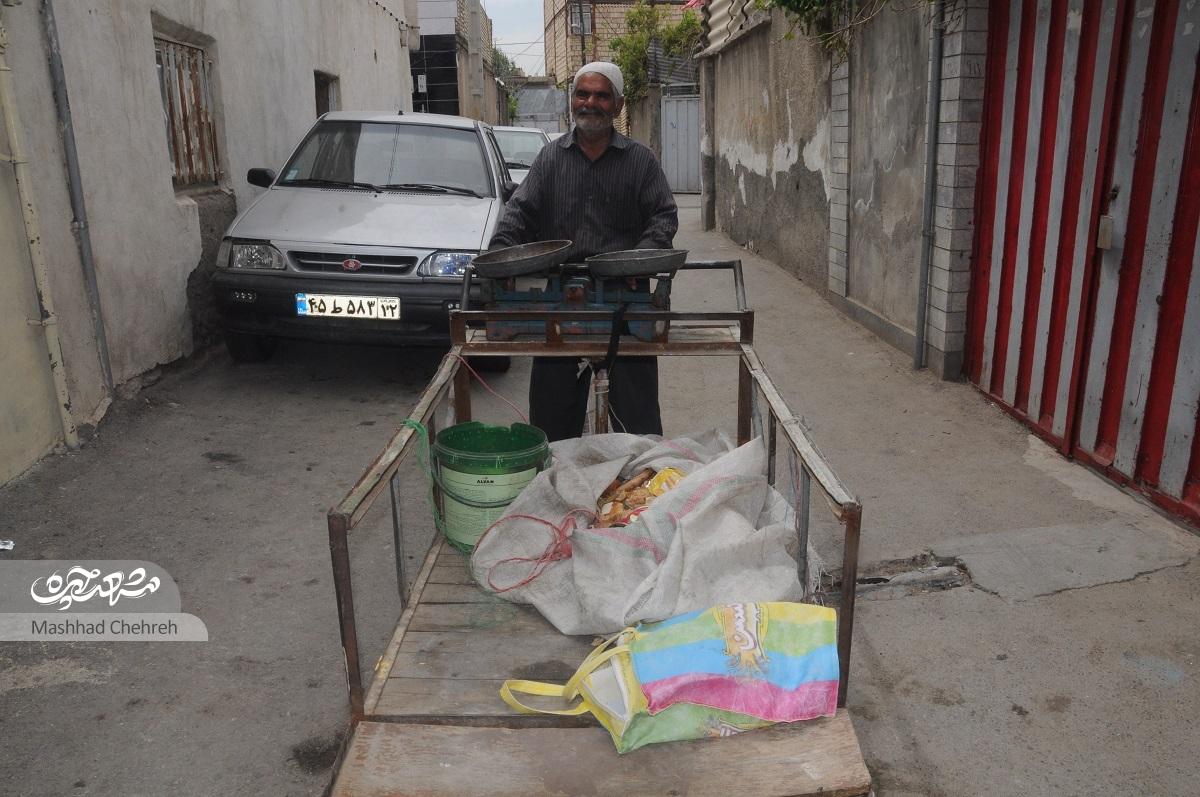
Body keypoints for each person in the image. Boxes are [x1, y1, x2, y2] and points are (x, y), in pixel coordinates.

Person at [488, 61, 679, 442]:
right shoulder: (550, 158)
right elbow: (520, 213)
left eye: (602, 95)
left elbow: (663, 217)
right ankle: (559, 491)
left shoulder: (641, 161)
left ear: (619, 105)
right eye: (583, 94)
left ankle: (635, 496)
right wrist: (499, 255)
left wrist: (638, 260)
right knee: (552, 427)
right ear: (572, 101)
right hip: (559, 303)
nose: (591, 102)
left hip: (627, 303)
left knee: (636, 429)